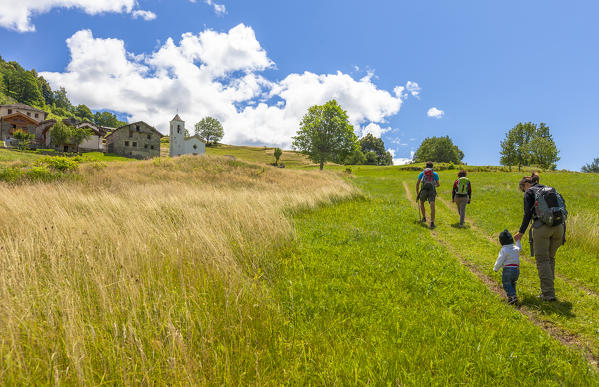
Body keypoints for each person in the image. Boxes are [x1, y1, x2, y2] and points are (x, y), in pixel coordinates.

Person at [514, 172, 567, 302]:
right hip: (559, 227)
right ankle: (549, 290)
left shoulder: (530, 192)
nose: (523, 191)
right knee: (550, 258)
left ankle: (548, 295)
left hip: (542, 227)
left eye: (522, 189)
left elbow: (527, 214)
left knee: (542, 260)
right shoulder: (549, 188)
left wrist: (521, 232)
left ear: (526, 184)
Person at [494, 229, 521, 305]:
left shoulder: (504, 250)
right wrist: (518, 241)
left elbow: (500, 260)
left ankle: (512, 296)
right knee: (512, 283)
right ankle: (513, 296)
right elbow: (519, 247)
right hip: (516, 270)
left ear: (502, 242)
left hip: (508, 270)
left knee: (506, 283)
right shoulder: (515, 248)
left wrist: (496, 268)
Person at [416, 161, 440, 229]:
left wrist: (418, 192)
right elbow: (438, 184)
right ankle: (432, 222)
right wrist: (434, 185)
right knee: (432, 206)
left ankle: (424, 218)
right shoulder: (435, 174)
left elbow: (417, 183)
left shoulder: (422, 173)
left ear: (426, 166)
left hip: (423, 190)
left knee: (422, 203)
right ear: (432, 167)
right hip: (432, 190)